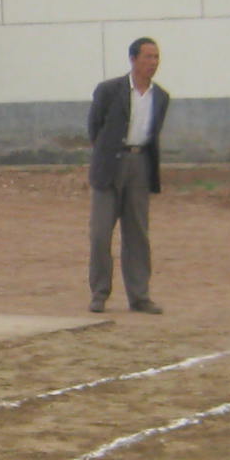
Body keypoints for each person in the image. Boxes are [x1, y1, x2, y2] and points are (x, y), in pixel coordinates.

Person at [86, 36, 172, 314]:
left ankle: (139, 296)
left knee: (137, 234)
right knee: (100, 233)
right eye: (148, 57)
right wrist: (107, 154)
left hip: (140, 164)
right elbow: (95, 127)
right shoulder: (109, 90)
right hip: (110, 165)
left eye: (156, 57)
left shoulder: (161, 97)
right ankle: (99, 293)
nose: (153, 62)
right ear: (133, 59)